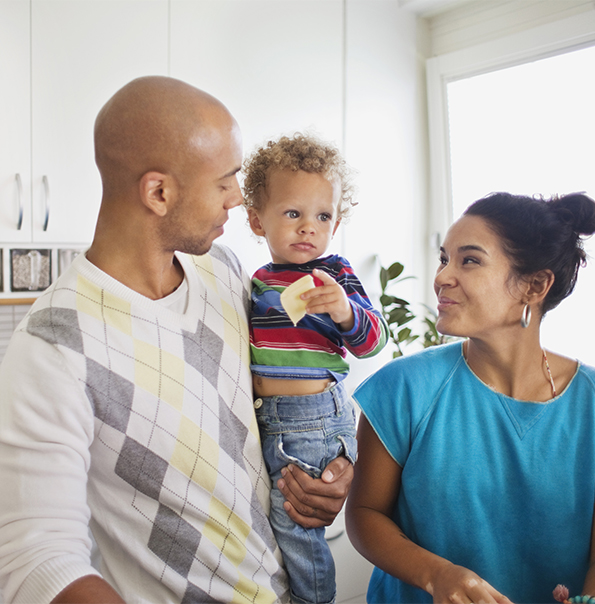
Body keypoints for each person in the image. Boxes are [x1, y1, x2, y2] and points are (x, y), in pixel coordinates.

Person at [0, 77, 354, 604]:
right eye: (225, 181)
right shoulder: (53, 345)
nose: (239, 198)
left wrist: (331, 467)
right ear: (158, 192)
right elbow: (39, 559)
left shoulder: (225, 272)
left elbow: (280, 396)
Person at [346, 191, 595, 604]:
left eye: (470, 260)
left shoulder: (590, 404)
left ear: (535, 285)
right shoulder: (403, 388)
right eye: (445, 258)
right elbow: (364, 514)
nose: (442, 276)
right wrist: (436, 575)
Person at [243, 133, 389, 604]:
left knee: (298, 530)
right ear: (255, 220)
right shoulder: (259, 282)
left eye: (322, 216)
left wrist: (345, 310)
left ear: (336, 221)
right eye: (293, 214)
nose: (309, 228)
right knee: (275, 527)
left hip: (312, 421)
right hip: (268, 419)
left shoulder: (334, 274)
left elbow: (373, 340)